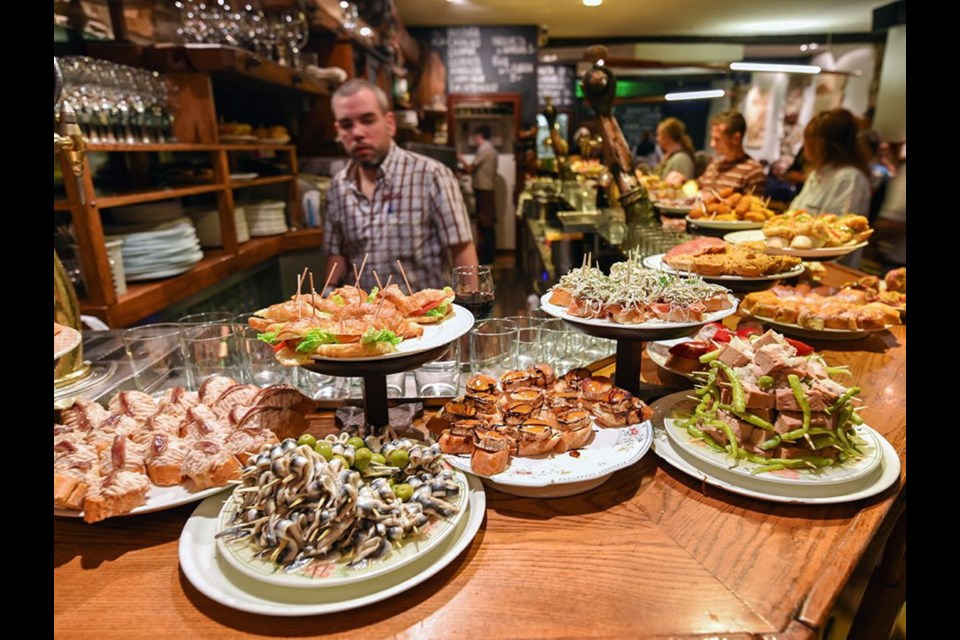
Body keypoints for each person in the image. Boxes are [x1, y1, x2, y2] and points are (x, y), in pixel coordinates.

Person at [323, 79, 478, 291]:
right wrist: (327, 293)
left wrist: (470, 312)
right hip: (363, 319)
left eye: (367, 120)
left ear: (390, 124)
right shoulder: (337, 187)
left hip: (423, 318)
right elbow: (337, 253)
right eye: (347, 125)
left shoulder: (431, 175)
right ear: (338, 131)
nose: (357, 133)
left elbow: (462, 250)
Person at [789, 109, 871, 216]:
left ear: (822, 144)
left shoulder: (849, 178)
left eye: (808, 140)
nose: (804, 145)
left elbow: (842, 226)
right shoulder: (816, 174)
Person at [698, 110, 766, 194]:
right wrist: (683, 181)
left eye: (717, 139)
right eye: (712, 138)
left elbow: (753, 205)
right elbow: (697, 188)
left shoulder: (753, 172)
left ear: (736, 138)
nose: (712, 144)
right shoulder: (713, 166)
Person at [460, 125, 498, 265]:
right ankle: (487, 257)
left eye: (475, 137)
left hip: (484, 190)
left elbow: (470, 168)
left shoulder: (485, 149)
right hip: (486, 189)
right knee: (486, 223)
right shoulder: (489, 149)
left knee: (486, 224)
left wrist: (461, 159)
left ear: (479, 136)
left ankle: (487, 258)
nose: (474, 140)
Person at [654, 117, 696, 183]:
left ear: (667, 136)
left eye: (658, 135)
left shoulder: (681, 159)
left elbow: (681, 187)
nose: (657, 139)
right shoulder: (669, 156)